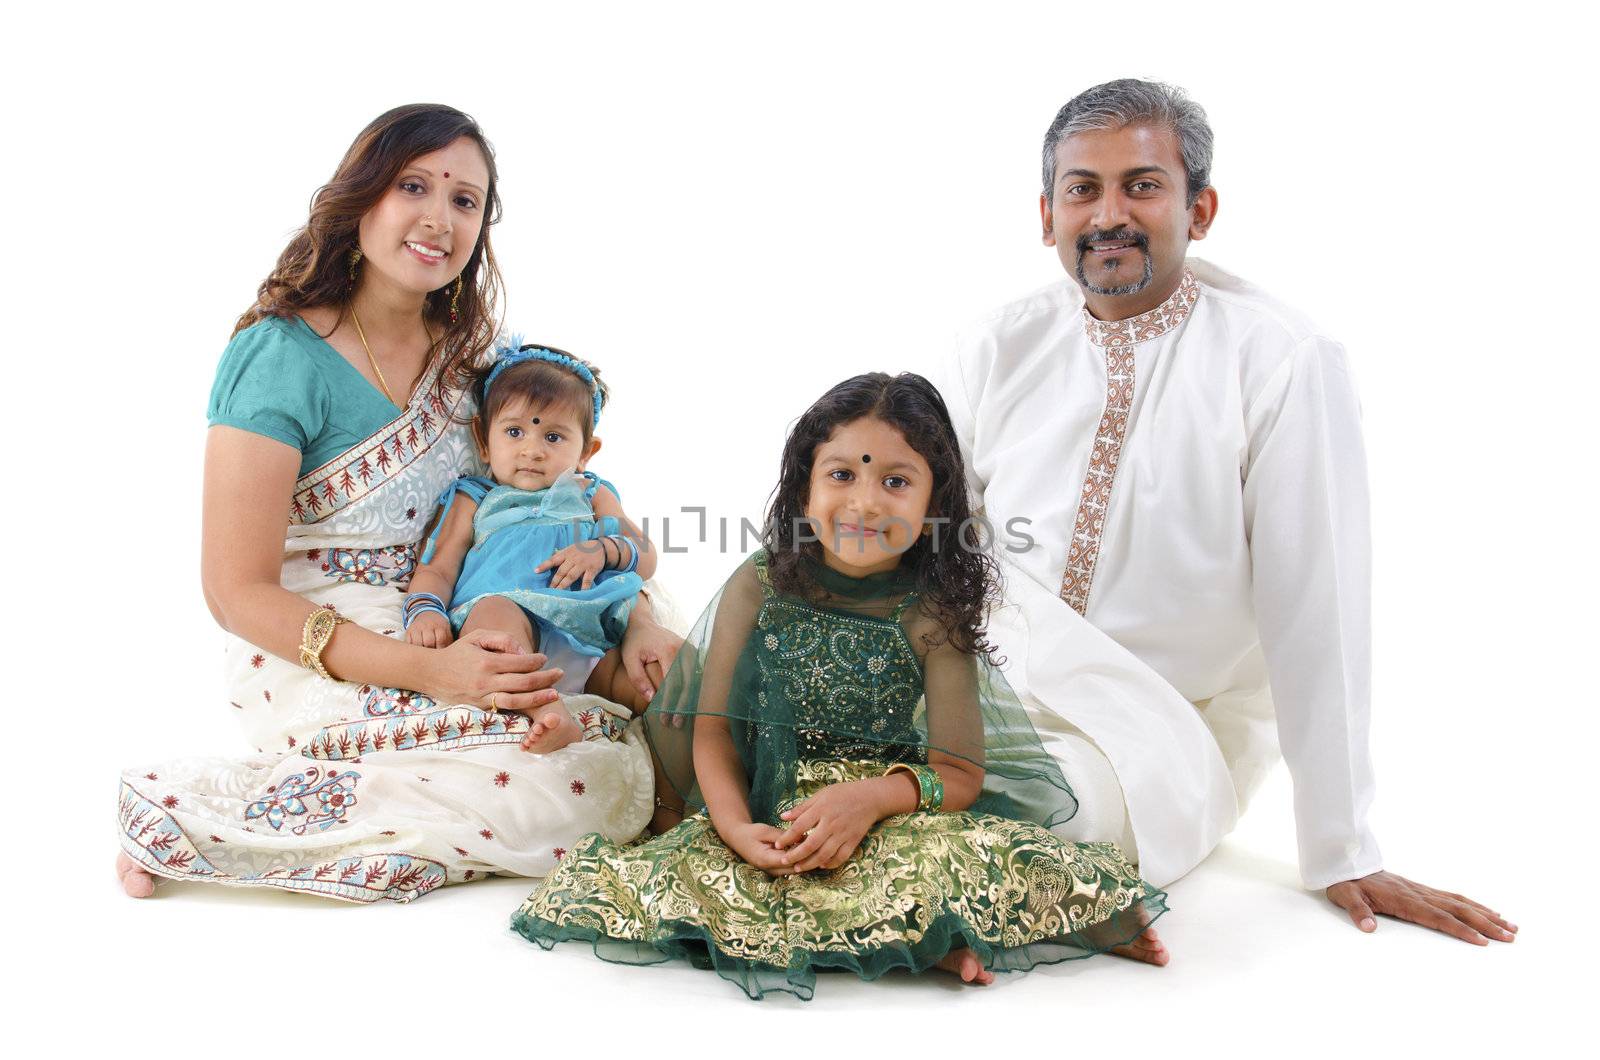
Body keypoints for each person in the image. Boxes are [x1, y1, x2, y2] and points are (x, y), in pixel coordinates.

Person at [937, 79, 1516, 944]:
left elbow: (1316, 604)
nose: (1108, 215)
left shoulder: (1279, 359)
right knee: (787, 749)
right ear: (1047, 215)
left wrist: (1342, 846)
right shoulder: (998, 345)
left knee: (1037, 824)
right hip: (979, 688)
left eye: (1142, 185)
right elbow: (934, 542)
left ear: (1199, 209)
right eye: (1082, 189)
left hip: (1164, 730)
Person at [114, 104, 680, 903]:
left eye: (465, 200)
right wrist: (433, 670)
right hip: (334, 638)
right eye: (413, 185)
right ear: (362, 197)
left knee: (670, 700)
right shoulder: (278, 357)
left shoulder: (479, 355)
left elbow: (563, 499)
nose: (438, 219)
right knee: (552, 776)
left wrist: (641, 615)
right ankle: (205, 824)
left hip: (494, 595)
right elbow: (233, 592)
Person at [511, 372, 1167, 1000]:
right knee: (720, 880)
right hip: (766, 800)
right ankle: (921, 941)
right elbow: (711, 731)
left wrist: (872, 799)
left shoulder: (933, 609)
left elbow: (960, 774)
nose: (865, 501)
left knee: (958, 857)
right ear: (803, 487)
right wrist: (738, 829)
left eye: (896, 480)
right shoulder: (760, 582)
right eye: (842, 474)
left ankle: (941, 932)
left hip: (883, 809)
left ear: (935, 502)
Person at [405, 342, 657, 756]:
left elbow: (645, 556)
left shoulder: (590, 492)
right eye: (514, 431)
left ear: (586, 452)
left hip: (588, 630)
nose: (532, 450)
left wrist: (604, 549)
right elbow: (440, 563)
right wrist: (426, 608)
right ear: (483, 442)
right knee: (492, 621)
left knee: (651, 683)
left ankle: (679, 753)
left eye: (553, 436)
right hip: (510, 617)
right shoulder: (475, 496)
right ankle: (547, 710)